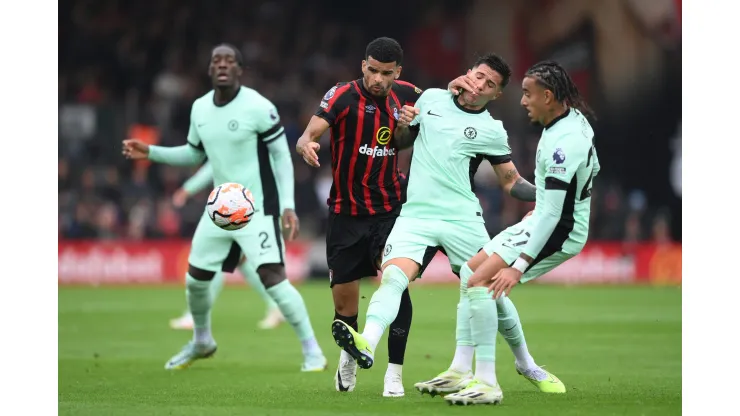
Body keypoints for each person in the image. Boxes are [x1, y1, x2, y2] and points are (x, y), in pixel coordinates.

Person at [327, 53, 540, 396]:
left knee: (490, 294)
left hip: (462, 218)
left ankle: (526, 362)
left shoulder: (491, 129)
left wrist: (547, 198)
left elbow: (510, 181)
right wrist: (404, 123)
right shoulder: (430, 99)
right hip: (416, 215)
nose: (480, 85)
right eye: (479, 75)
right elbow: (399, 142)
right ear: (468, 72)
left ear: (496, 95)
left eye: (490, 84)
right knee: (393, 278)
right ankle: (366, 341)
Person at [123, 43, 326, 372]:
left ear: (239, 70)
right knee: (195, 280)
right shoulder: (200, 108)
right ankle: (202, 340)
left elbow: (280, 157)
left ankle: (312, 350)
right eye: (216, 59)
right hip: (218, 210)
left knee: (274, 279)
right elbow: (193, 155)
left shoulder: (258, 107)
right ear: (209, 69)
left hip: (257, 208)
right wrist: (151, 151)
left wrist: (287, 205)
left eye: (229, 60)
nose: (222, 64)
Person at [296, 37, 469, 397]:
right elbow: (307, 133)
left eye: (385, 73)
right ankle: (349, 357)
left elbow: (442, 108)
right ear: (363, 66)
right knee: (345, 305)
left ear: (398, 73)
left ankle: (394, 372)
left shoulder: (408, 94)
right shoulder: (342, 95)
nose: (378, 79)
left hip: (390, 211)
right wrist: (307, 144)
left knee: (395, 284)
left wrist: (449, 94)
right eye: (372, 70)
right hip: (345, 213)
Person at [442, 60, 600, 405]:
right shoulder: (569, 120)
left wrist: (520, 265)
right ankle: (485, 368)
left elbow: (556, 212)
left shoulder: (563, 143)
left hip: (560, 230)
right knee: (471, 272)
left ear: (548, 96)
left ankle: (486, 382)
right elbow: (571, 184)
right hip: (543, 218)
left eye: (528, 94)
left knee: (479, 283)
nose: (522, 100)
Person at [168, 162, 284, 331]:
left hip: (239, 212)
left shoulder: (236, 146)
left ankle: (196, 315)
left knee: (213, 261)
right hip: (248, 211)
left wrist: (186, 189)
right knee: (243, 263)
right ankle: (276, 305)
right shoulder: (258, 147)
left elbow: (212, 167)